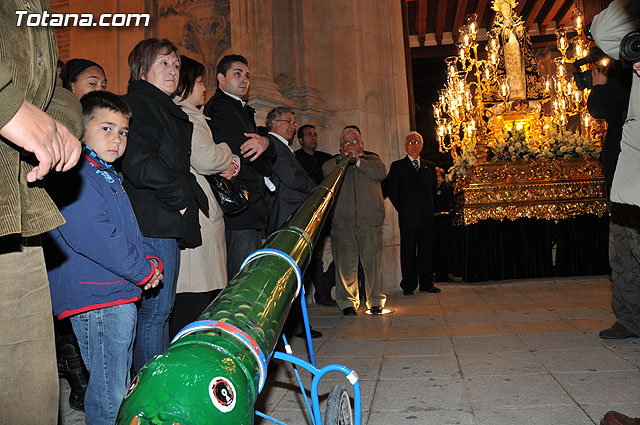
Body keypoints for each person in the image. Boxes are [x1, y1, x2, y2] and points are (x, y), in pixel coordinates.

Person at [45, 91, 163, 425]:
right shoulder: (75, 172)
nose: (117, 139)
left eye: (123, 132)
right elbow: (96, 237)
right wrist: (142, 270)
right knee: (109, 391)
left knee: (116, 382)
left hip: (115, 291)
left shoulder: (106, 174)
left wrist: (152, 261)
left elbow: (130, 233)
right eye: (107, 129)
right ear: (81, 129)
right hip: (97, 296)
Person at [0, 1, 83, 422]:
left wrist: (62, 124)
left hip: (16, 212)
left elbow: (50, 90)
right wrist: (7, 104)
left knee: (28, 389)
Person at [121, 38, 208, 372]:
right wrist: (180, 199)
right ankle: (150, 388)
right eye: (164, 64)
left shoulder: (158, 104)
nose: (173, 71)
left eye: (175, 65)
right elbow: (139, 160)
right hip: (154, 219)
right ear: (142, 69)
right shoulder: (142, 103)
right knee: (156, 314)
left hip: (161, 217)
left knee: (157, 312)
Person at [171, 55, 238, 337]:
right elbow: (207, 159)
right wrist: (228, 151)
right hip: (197, 213)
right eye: (199, 81)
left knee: (201, 291)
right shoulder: (189, 116)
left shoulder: (192, 115)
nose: (204, 88)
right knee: (197, 295)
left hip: (199, 211)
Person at [57, 57, 109, 412]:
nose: (100, 89)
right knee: (67, 310)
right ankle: (78, 383)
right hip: (60, 220)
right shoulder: (61, 121)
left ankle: (89, 381)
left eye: (103, 83)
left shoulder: (99, 125)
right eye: (93, 83)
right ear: (70, 86)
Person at [590, 0, 640, 340]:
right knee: (622, 254)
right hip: (628, 179)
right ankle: (631, 320)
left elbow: (601, 105)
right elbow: (604, 30)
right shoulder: (629, 73)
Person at [203, 54, 276, 280]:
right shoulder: (222, 109)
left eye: (247, 76)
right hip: (238, 207)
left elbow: (264, 150)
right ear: (221, 78)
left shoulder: (240, 108)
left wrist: (265, 142)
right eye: (237, 74)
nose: (244, 80)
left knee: (249, 272)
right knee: (241, 277)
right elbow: (248, 154)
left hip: (249, 205)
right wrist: (265, 150)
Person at [265, 106, 322, 338]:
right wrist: (316, 190)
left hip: (293, 213)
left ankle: (297, 324)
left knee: (297, 274)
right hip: (285, 215)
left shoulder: (283, 147)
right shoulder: (274, 145)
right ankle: (290, 327)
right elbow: (293, 177)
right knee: (288, 275)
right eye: (287, 121)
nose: (292, 125)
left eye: (293, 121)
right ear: (273, 123)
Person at [322, 126, 387, 315]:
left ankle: (375, 301)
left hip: (370, 221)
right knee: (344, 265)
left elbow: (381, 172)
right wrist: (344, 160)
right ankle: (347, 302)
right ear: (341, 146)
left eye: (355, 141)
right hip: (342, 223)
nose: (351, 145)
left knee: (372, 264)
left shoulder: (373, 160)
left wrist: (358, 161)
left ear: (362, 144)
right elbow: (326, 170)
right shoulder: (333, 164)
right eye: (347, 142)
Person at [383, 131, 440, 295]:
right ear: (405, 147)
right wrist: (404, 208)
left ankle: (427, 284)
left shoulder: (429, 166)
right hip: (408, 217)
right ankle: (408, 285)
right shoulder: (398, 166)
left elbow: (433, 191)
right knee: (408, 252)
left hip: (427, 217)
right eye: (410, 142)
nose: (413, 145)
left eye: (417, 142)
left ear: (421, 146)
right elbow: (392, 191)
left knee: (427, 250)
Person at [295, 124, 336, 306]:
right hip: (310, 214)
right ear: (301, 140)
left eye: (315, 134)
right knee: (315, 257)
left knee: (343, 254)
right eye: (309, 135)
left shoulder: (325, 158)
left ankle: (325, 289)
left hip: (329, 213)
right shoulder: (296, 158)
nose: (313, 137)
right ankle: (321, 294)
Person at [433, 166, 454, 282]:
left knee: (444, 248)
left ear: (442, 177)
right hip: (435, 221)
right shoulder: (432, 189)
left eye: (438, 177)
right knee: (436, 248)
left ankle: (444, 274)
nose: (437, 179)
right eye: (434, 177)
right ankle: (437, 273)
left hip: (444, 221)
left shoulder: (447, 187)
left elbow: (447, 202)